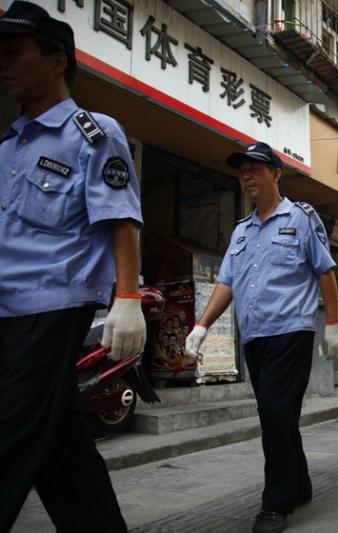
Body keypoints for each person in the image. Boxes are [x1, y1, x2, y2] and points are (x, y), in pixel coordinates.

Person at [0, 3, 146, 531]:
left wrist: (126, 301)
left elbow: (121, 220)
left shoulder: (93, 133)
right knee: (59, 445)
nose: (3, 63)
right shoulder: (8, 146)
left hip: (51, 307)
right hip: (8, 311)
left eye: (14, 51)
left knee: (8, 437)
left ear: (57, 60)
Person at [184, 142, 338, 533]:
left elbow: (324, 271)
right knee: (279, 415)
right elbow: (227, 282)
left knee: (274, 414)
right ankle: (300, 482)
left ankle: (276, 503)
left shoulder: (302, 218)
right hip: (255, 336)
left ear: (276, 173)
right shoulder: (242, 231)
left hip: (290, 331)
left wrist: (333, 325)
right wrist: (202, 325)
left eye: (255, 168)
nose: (245, 176)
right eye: (241, 171)